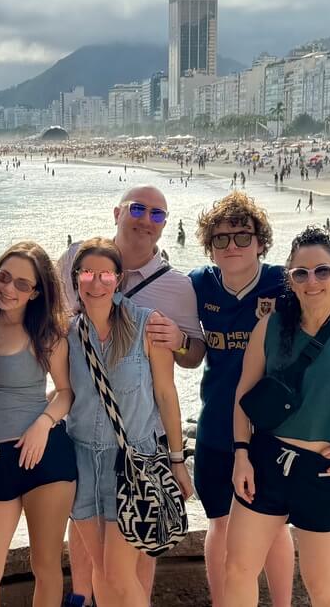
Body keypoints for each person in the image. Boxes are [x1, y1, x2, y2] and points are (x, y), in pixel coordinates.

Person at [189, 194, 330, 607]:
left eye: (322, 271)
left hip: (324, 470)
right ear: (290, 278)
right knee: (237, 567)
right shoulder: (254, 317)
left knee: (322, 584)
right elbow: (239, 393)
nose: (311, 280)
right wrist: (242, 454)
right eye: (301, 273)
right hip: (260, 455)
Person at [57, 186, 205, 606]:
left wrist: (177, 461)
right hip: (82, 459)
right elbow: (54, 381)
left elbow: (169, 391)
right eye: (87, 274)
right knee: (100, 571)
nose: (97, 281)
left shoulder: (149, 321)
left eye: (106, 275)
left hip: (133, 460)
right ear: (75, 277)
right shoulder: (67, 332)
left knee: (120, 574)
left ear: (117, 279)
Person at [0, 242, 77, 607]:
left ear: (36, 292)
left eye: (22, 284)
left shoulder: (47, 333)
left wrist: (43, 424)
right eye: (3, 276)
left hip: (45, 456)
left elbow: (65, 392)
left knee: (45, 565)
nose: (8, 288)